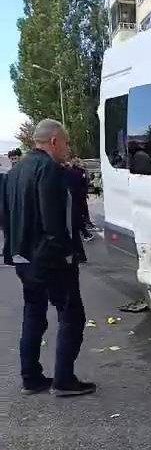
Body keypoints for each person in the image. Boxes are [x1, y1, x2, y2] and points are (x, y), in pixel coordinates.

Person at [2, 118, 95, 397]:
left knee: (33, 314)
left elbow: (6, 215)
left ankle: (31, 377)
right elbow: (54, 223)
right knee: (71, 315)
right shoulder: (50, 170)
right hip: (51, 260)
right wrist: (66, 254)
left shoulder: (15, 170)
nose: (66, 148)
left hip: (22, 257)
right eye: (65, 142)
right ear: (54, 141)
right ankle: (64, 380)